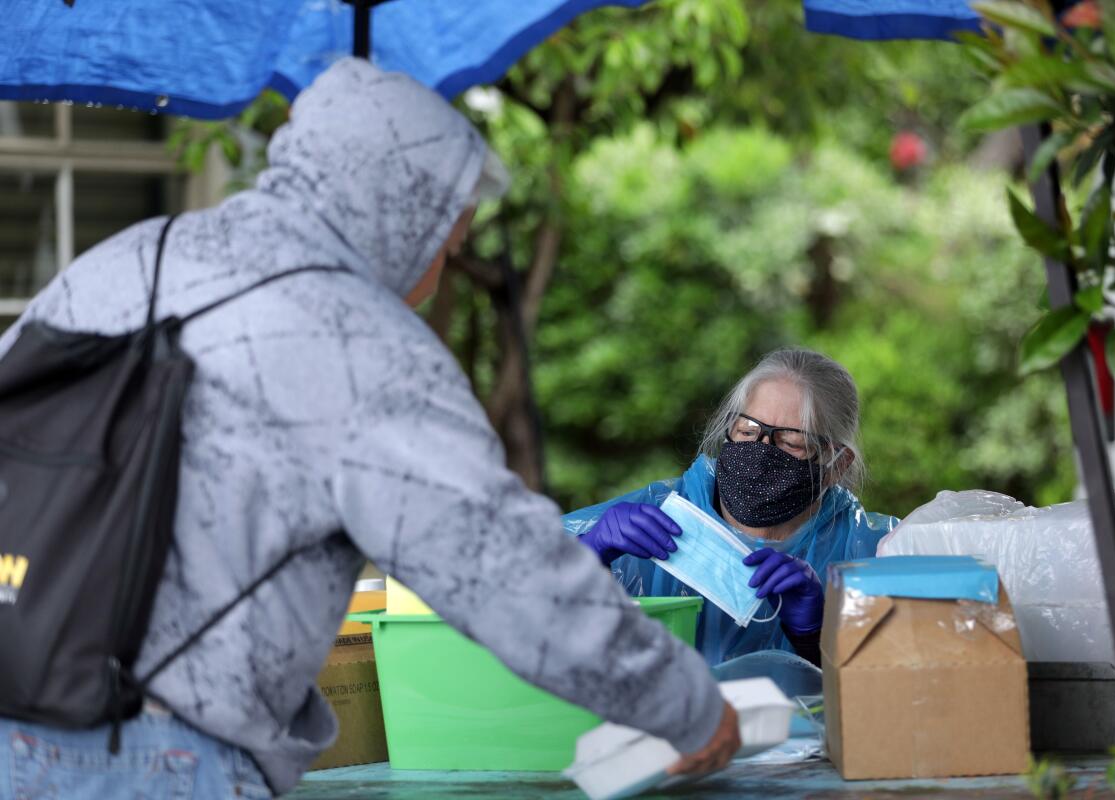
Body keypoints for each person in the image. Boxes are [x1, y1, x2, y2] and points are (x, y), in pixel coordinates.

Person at [0, 59, 738, 797]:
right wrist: (687, 704)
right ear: (404, 210)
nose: (439, 273)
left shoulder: (127, 259)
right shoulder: (362, 346)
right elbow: (505, 572)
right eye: (447, 245)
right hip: (160, 758)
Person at [564, 348, 899, 667]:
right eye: (747, 430)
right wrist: (583, 556)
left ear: (838, 465)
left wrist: (817, 637)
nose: (760, 450)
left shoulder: (874, 554)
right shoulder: (656, 515)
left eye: (791, 442)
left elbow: (898, 697)